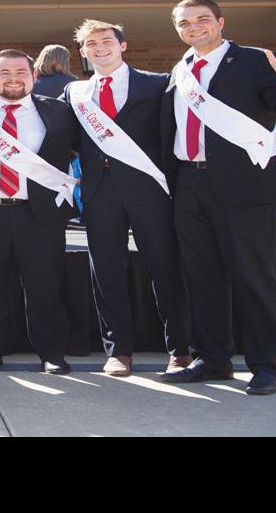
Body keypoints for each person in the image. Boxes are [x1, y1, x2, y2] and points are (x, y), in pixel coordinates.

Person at [158, 0, 276, 395]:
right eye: (185, 23)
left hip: (246, 187)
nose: (194, 27)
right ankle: (213, 358)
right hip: (190, 184)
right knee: (202, 278)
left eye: (202, 19)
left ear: (220, 22)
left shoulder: (254, 61)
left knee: (255, 278)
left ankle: (267, 366)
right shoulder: (180, 70)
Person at [61, 19, 191, 377]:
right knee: (106, 272)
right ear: (83, 51)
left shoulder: (157, 83)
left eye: (106, 41)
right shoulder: (75, 93)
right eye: (91, 43)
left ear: (123, 45)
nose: (99, 47)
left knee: (165, 269)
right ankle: (118, 351)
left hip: (149, 190)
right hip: (99, 194)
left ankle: (180, 349)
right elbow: (57, 131)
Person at [0, 49, 78, 375]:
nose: (13, 79)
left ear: (34, 76)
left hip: (37, 214)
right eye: (5, 73)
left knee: (45, 285)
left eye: (21, 73)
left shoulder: (58, 112)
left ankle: (52, 353)